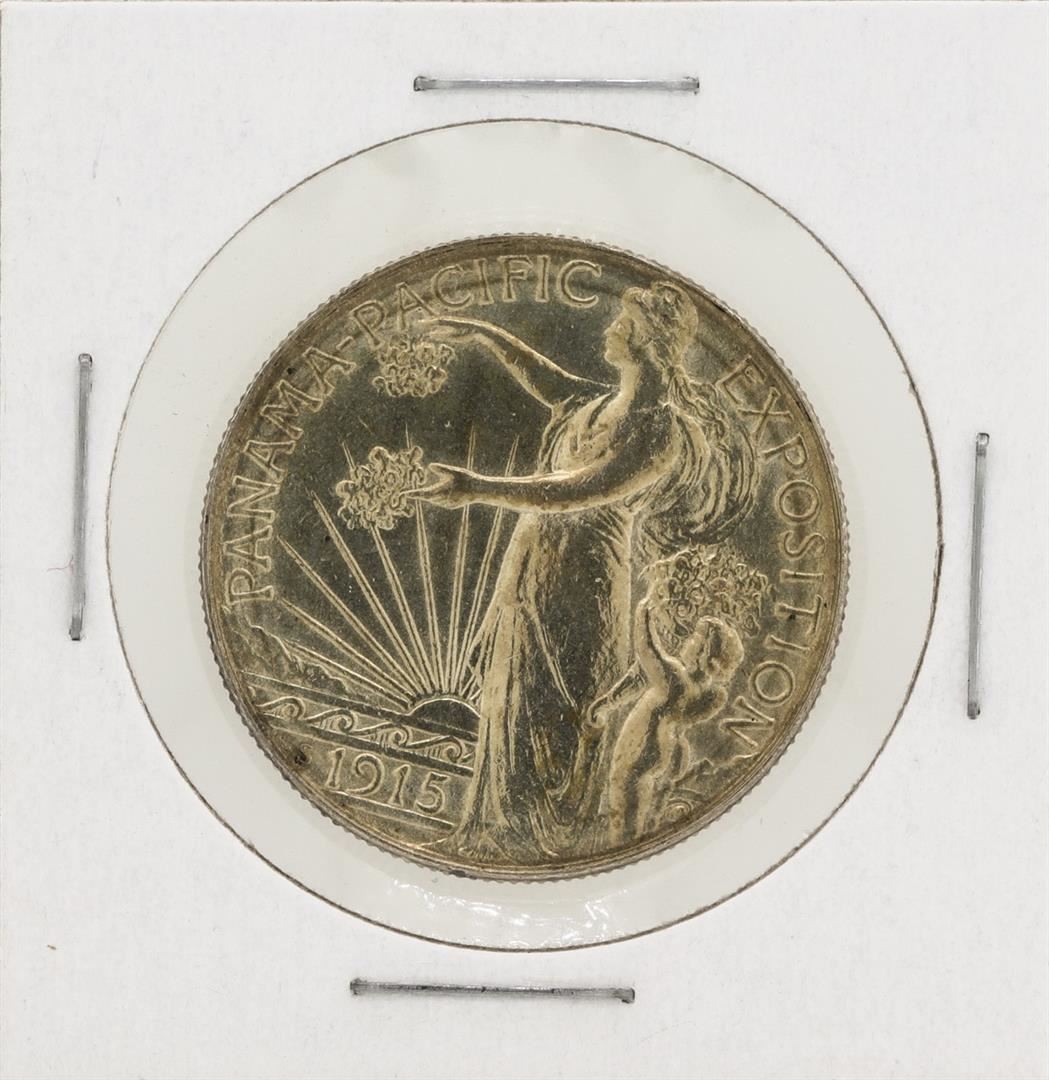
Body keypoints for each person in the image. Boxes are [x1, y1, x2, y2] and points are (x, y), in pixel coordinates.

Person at [415, 281, 756, 863]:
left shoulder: (661, 431)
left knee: (561, 707)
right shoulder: (595, 404)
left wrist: (476, 487)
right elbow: (541, 376)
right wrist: (485, 332)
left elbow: (579, 489)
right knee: (511, 694)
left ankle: (549, 846)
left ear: (646, 340)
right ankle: (490, 835)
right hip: (530, 564)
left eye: (623, 322)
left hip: (584, 581)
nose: (609, 328)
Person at [604, 585, 744, 845]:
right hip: (665, 753)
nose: (687, 642)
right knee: (639, 812)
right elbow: (641, 675)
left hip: (639, 754)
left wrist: (643, 610)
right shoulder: (704, 693)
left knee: (624, 811)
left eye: (695, 640)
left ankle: (622, 848)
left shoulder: (677, 679)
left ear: (707, 659)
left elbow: (647, 650)